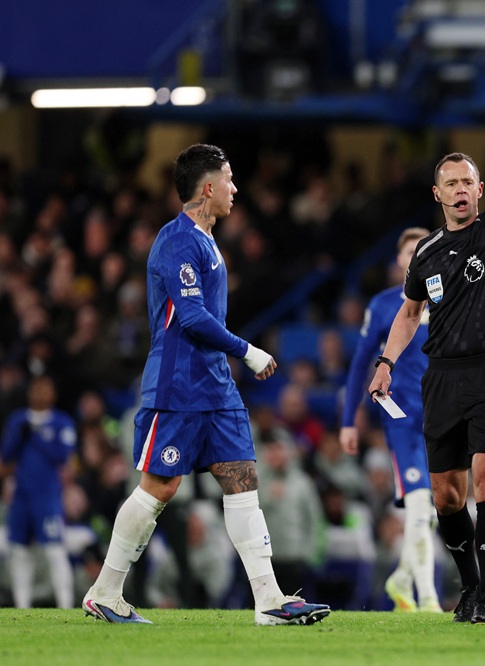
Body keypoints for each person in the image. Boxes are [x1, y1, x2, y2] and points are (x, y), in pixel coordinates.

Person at [82, 144, 330, 625]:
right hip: (178, 386)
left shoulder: (207, 240)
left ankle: (269, 600)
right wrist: (248, 351)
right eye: (230, 180)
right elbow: (192, 317)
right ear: (209, 187)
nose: (235, 189)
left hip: (216, 387)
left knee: (242, 478)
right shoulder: (177, 241)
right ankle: (105, 592)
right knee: (160, 487)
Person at [369, 55, 485, 626]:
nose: (461, 190)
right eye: (451, 184)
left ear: (480, 189)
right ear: (437, 194)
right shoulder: (427, 253)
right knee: (446, 497)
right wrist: (386, 361)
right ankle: (469, 587)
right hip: (441, 380)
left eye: (467, 182)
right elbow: (410, 312)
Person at [340, 226, 443, 613]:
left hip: (441, 416)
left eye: (422, 250)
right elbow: (359, 365)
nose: (415, 257)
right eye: (409, 252)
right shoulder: (383, 306)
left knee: (433, 510)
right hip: (400, 417)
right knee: (418, 504)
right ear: (399, 260)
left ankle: (401, 577)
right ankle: (428, 599)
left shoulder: (445, 299)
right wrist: (348, 421)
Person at [0, 374, 76, 608]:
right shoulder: (17, 420)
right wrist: (20, 436)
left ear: (53, 393)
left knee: (54, 549)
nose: (40, 393)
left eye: (45, 388)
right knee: (19, 551)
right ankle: (22, 606)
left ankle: (66, 604)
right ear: (29, 392)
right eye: (36, 388)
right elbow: (6, 455)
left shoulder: (61, 421)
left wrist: (36, 435)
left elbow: (63, 455)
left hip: (47, 496)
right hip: (21, 495)